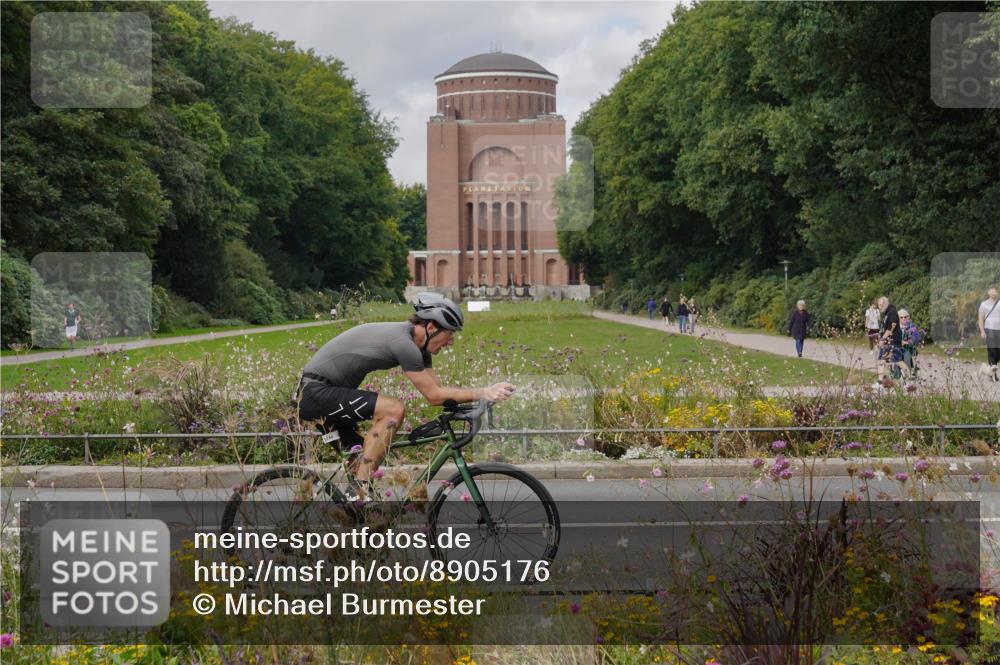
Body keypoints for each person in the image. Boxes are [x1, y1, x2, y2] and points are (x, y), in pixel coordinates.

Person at [296, 293, 515, 498]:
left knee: (364, 460)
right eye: (449, 334)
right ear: (431, 327)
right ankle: (358, 490)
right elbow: (433, 396)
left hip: (328, 395)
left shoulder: (420, 349)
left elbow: (441, 392)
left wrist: (479, 399)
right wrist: (484, 391)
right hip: (315, 393)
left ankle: (356, 514)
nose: (451, 342)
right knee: (393, 410)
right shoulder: (403, 343)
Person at [877, 296, 903, 380]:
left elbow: (890, 328)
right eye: (878, 305)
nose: (879, 307)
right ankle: (880, 382)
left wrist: (882, 339)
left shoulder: (892, 312)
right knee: (881, 361)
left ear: (885, 304)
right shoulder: (886, 313)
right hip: (886, 342)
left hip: (893, 341)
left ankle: (909, 376)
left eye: (880, 305)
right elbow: (884, 328)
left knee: (897, 361)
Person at [979, 286, 1000, 382]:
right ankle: (993, 374)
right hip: (989, 330)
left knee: (998, 352)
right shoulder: (984, 304)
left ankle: (992, 370)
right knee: (992, 352)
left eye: (995, 291)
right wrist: (982, 331)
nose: (994, 293)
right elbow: (980, 319)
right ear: (988, 293)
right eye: (992, 291)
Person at [898, 309, 922, 378]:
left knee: (906, 355)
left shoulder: (911, 326)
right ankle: (896, 374)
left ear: (908, 317)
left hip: (909, 348)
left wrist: (907, 342)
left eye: (905, 317)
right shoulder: (895, 326)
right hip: (897, 348)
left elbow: (917, 338)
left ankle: (908, 374)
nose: (903, 319)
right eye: (901, 317)